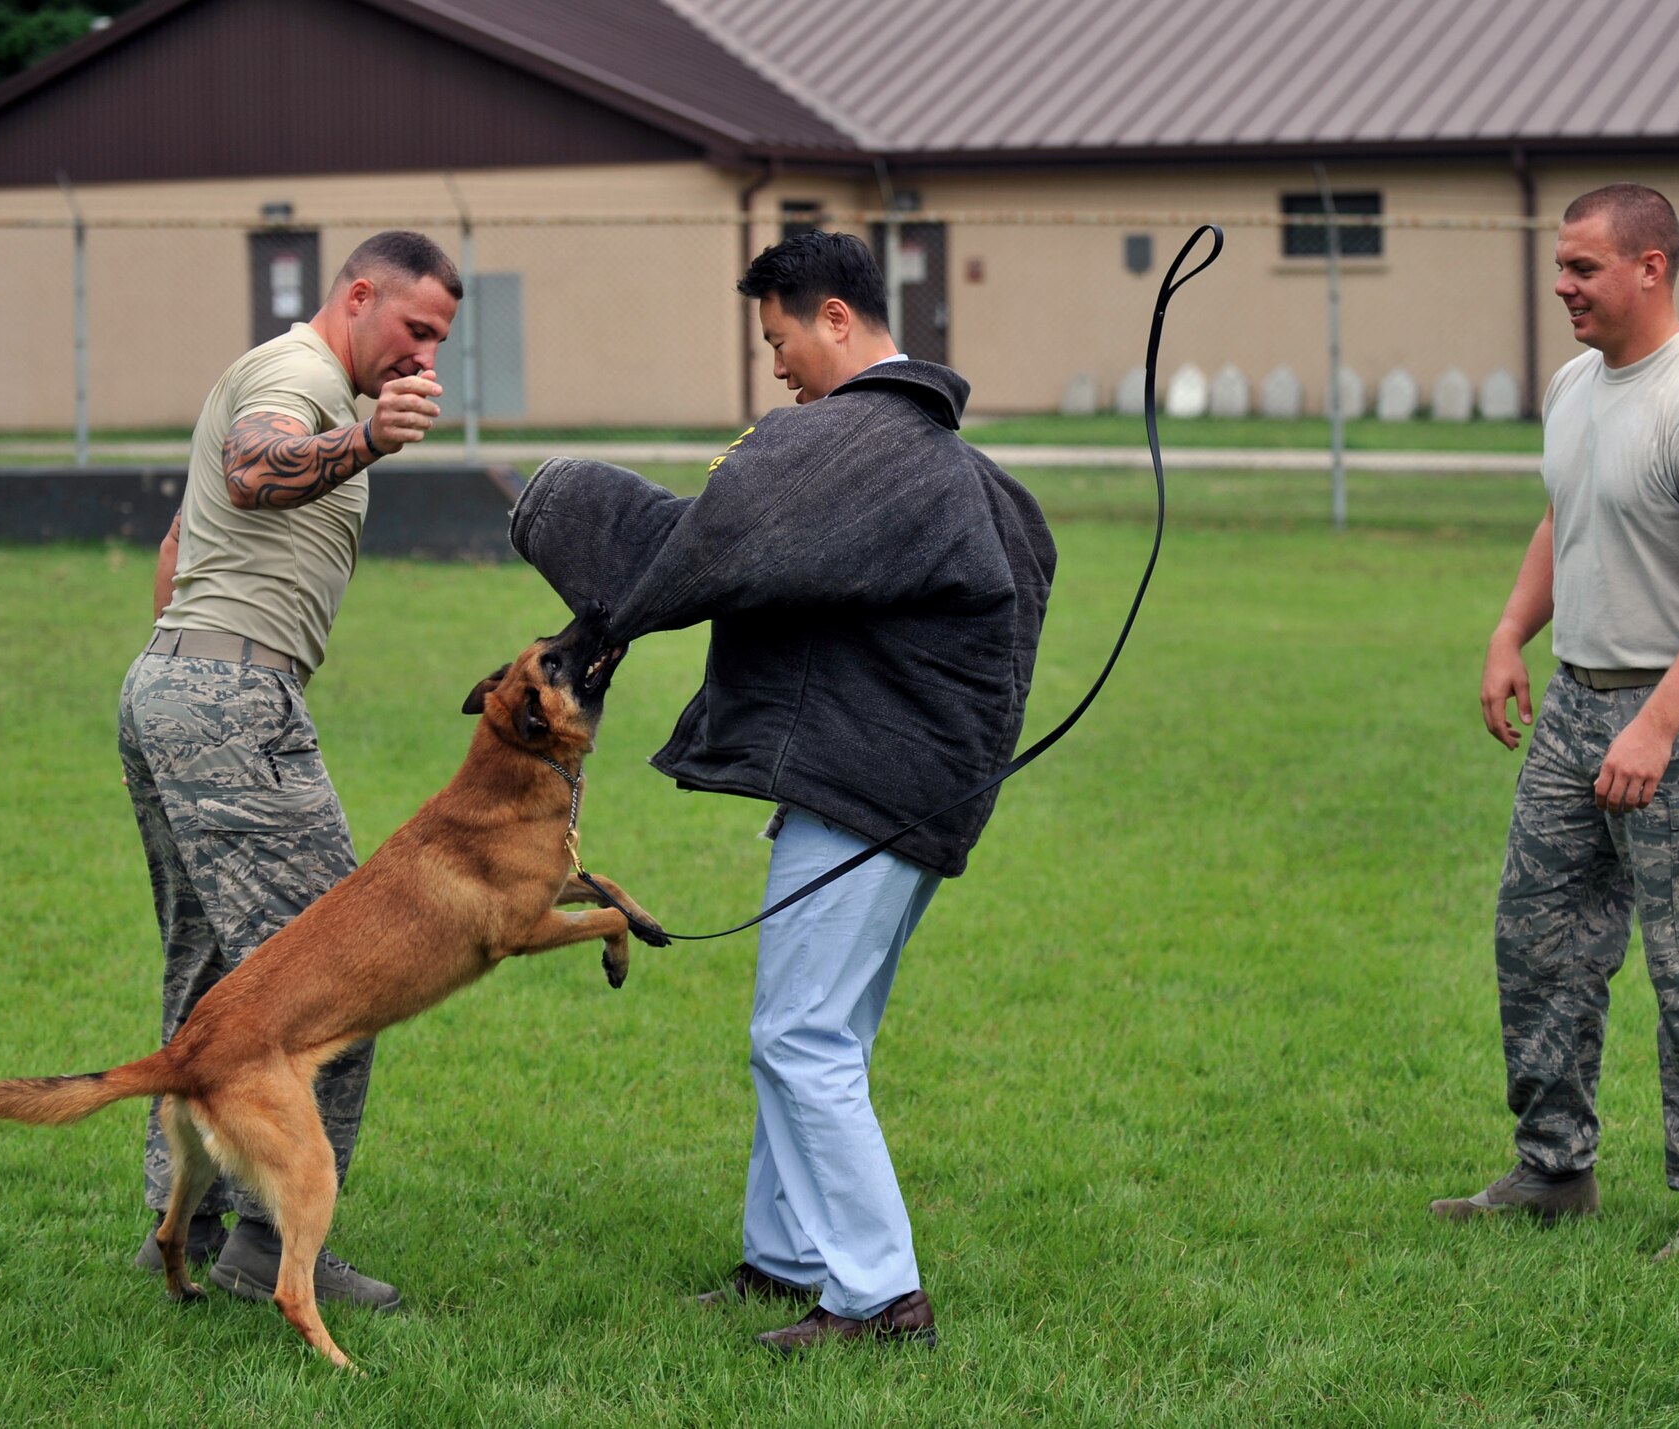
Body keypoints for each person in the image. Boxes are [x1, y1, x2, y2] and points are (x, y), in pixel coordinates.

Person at [509, 230, 1056, 1350]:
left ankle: (879, 1300)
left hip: (865, 797)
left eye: (781, 339)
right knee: (817, 1035)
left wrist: (591, 567)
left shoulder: (861, 444)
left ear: (838, 319)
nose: (777, 368)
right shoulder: (953, 466)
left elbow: (718, 541)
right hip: (913, 801)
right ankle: (784, 1258)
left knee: (799, 1035)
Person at [1431, 185, 1679, 1260]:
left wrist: (1657, 725)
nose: (1562, 285)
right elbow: (1564, 513)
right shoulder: (1576, 384)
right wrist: (1509, 630)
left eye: (1583, 268)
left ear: (1650, 268)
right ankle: (1552, 1169)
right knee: (1535, 943)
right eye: (1560, 263)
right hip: (1577, 708)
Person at [120, 230, 460, 1308]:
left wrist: (185, 671)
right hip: (228, 702)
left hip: (174, 687)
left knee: (214, 976)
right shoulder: (299, 376)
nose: (421, 359)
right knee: (343, 979)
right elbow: (253, 470)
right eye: (413, 331)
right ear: (357, 295)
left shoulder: (277, 371)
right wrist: (365, 441)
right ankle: (269, 1245)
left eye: (439, 343)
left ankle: (177, 1227)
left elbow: (181, 541)